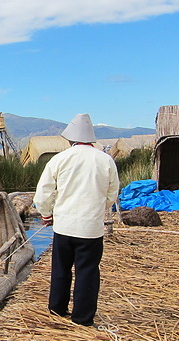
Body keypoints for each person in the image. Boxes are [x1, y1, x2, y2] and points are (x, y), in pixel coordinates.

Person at [33, 113, 120, 327]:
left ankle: (57, 309)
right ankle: (82, 318)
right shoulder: (105, 159)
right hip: (91, 229)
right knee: (87, 271)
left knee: (61, 268)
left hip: (64, 227)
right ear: (90, 138)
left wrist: (47, 214)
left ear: (71, 138)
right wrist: (98, 210)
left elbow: (43, 193)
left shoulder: (60, 159)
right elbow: (112, 193)